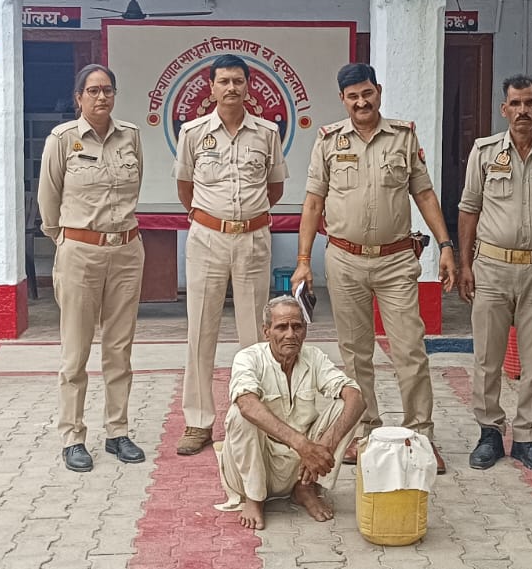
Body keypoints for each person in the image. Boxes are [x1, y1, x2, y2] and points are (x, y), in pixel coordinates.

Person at [291, 62, 458, 473]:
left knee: (410, 350)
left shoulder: (403, 136)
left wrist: (446, 245)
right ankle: (364, 431)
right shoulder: (328, 141)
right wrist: (302, 261)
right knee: (355, 354)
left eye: (367, 93)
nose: (361, 102)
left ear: (378, 91)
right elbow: (313, 203)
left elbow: (424, 194)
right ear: (342, 99)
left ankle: (420, 435)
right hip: (344, 259)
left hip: (396, 260)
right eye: (353, 96)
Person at [457, 75, 532, 473]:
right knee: (487, 358)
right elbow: (469, 209)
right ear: (504, 109)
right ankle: (489, 433)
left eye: (529, 103)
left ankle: (527, 437)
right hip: (492, 268)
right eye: (515, 103)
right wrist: (464, 264)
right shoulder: (484, 152)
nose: (523, 110)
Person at [173, 54, 289, 456]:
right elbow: (184, 186)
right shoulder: (193, 133)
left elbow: (275, 188)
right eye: (223, 81)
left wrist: (245, 218)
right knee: (200, 331)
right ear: (211, 87)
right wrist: (214, 218)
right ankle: (198, 421)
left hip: (253, 239)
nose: (231, 88)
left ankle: (254, 418)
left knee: (255, 335)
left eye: (238, 81)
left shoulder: (267, 133)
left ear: (248, 86)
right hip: (207, 238)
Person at [37, 63, 147, 473]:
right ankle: (73, 436)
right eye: (93, 91)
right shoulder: (62, 140)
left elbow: (136, 185)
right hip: (80, 253)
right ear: (79, 97)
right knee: (76, 350)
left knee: (119, 348)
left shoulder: (130, 136)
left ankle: (117, 431)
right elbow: (48, 200)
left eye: (108, 90)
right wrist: (66, 241)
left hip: (126, 251)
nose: (102, 97)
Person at [215, 296, 366, 530]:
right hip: (258, 464)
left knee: (346, 405)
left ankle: (305, 488)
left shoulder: (313, 357)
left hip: (302, 466)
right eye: (281, 327)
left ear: (305, 331)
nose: (290, 334)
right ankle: (254, 497)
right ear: (266, 331)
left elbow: (356, 398)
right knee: (239, 413)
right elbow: (246, 404)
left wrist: (325, 444)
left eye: (297, 326)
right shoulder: (248, 358)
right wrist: (302, 445)